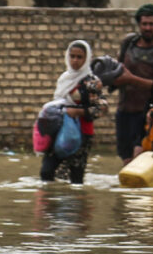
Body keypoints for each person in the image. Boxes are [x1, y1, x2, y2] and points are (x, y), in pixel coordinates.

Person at [40, 40, 108, 184]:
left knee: (75, 178)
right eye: (72, 56)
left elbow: (100, 108)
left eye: (79, 57)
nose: (75, 61)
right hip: (59, 130)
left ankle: (76, 205)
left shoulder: (92, 82)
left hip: (81, 134)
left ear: (86, 59)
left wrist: (78, 112)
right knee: (47, 172)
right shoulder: (64, 79)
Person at [114, 3, 153, 165]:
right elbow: (117, 69)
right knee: (126, 160)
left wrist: (131, 79)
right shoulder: (128, 44)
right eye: (144, 24)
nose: (147, 28)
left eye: (151, 24)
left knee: (142, 159)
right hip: (124, 111)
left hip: (148, 114)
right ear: (139, 25)